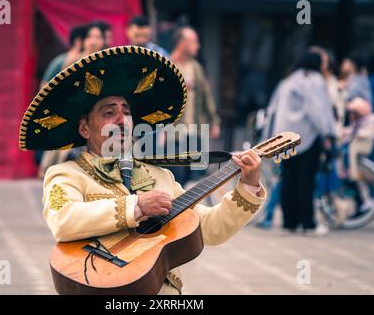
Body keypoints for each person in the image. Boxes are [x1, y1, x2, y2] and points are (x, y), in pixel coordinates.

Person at [19, 46, 266, 294]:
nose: (122, 119)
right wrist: (136, 207)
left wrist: (248, 185)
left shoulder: (160, 176)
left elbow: (209, 229)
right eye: (109, 112)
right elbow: (64, 221)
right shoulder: (66, 174)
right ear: (85, 129)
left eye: (126, 111)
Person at [264, 50, 336, 236]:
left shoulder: (288, 81)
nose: (325, 66)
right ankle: (308, 223)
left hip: (285, 138)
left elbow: (273, 109)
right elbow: (318, 111)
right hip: (307, 137)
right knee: (306, 181)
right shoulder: (315, 81)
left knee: (288, 179)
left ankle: (290, 221)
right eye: (323, 62)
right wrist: (328, 133)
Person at [38, 22, 106, 177]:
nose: (94, 41)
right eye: (90, 36)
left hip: (98, 121)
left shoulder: (107, 64)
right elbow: (56, 91)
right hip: (71, 119)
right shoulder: (71, 62)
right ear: (83, 40)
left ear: (103, 41)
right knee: (62, 167)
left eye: (98, 37)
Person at [168, 26, 221, 185]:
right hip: (174, 132)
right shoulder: (168, 64)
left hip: (196, 131)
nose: (197, 46)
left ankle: (191, 210)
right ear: (182, 43)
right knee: (176, 176)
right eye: (194, 42)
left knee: (196, 176)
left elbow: (206, 96)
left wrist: (214, 121)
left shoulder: (196, 67)